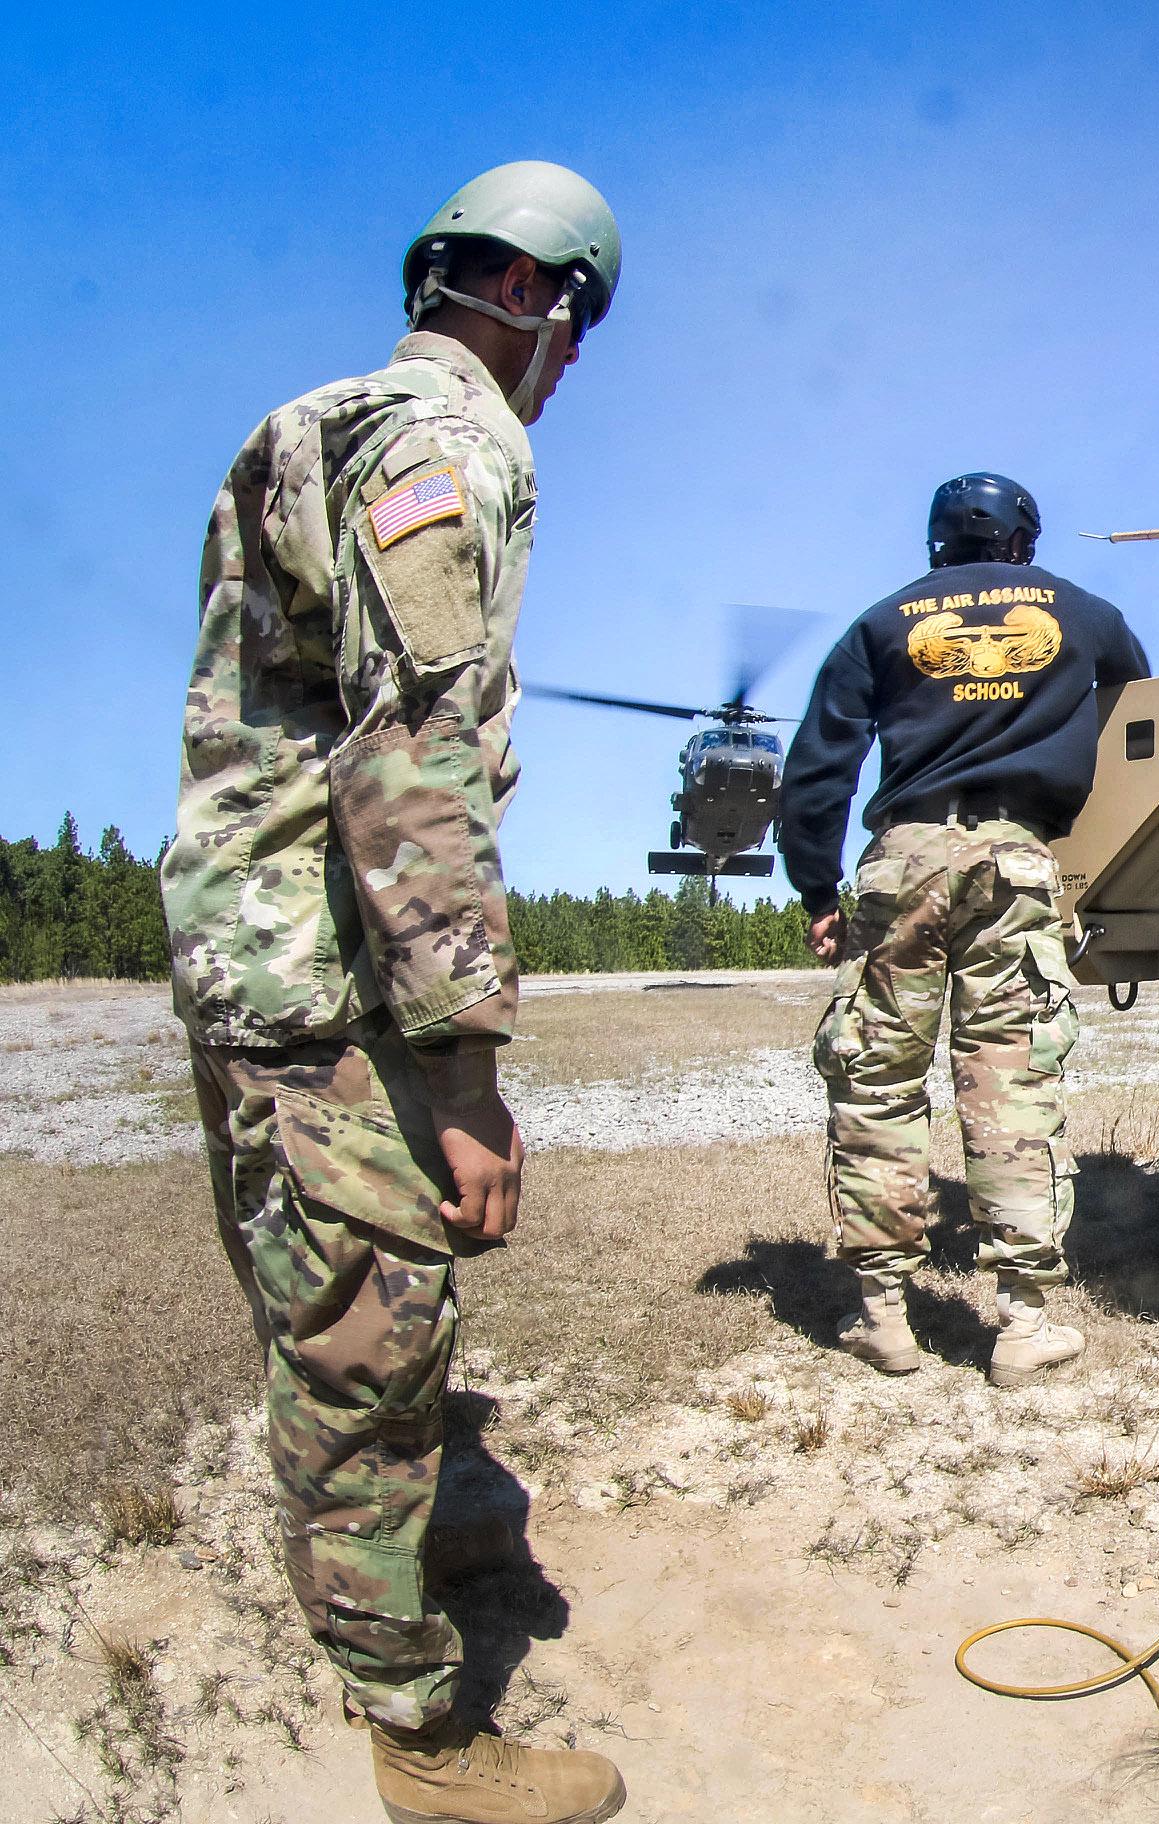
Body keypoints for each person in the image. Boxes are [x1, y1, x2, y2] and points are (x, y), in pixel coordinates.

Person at [161, 162, 628, 1823]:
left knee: (326, 1311)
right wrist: (465, 1069)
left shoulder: (308, 422)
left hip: (245, 951)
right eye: (574, 327)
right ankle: (422, 1739)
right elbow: (410, 761)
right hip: (325, 977)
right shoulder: (451, 442)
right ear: (534, 296)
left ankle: (412, 1551)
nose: (567, 368)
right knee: (369, 1339)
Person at [779, 473, 1150, 1387]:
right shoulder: (1085, 613)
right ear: (1024, 540)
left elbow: (819, 767)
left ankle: (883, 1319)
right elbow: (1141, 704)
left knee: (876, 1082)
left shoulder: (882, 621)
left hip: (903, 860)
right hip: (1016, 863)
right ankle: (1023, 1326)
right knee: (1012, 1088)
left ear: (937, 541)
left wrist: (817, 890)